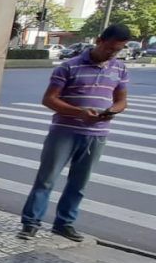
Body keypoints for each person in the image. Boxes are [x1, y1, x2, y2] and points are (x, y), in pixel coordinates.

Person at [19, 23, 131, 242]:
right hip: (64, 131)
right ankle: (31, 223)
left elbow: (121, 100)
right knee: (46, 179)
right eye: (109, 48)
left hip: (97, 133)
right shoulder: (69, 66)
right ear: (99, 41)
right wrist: (78, 112)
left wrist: (111, 111)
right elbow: (49, 99)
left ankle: (64, 223)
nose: (112, 53)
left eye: (118, 50)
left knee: (79, 182)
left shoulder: (120, 69)